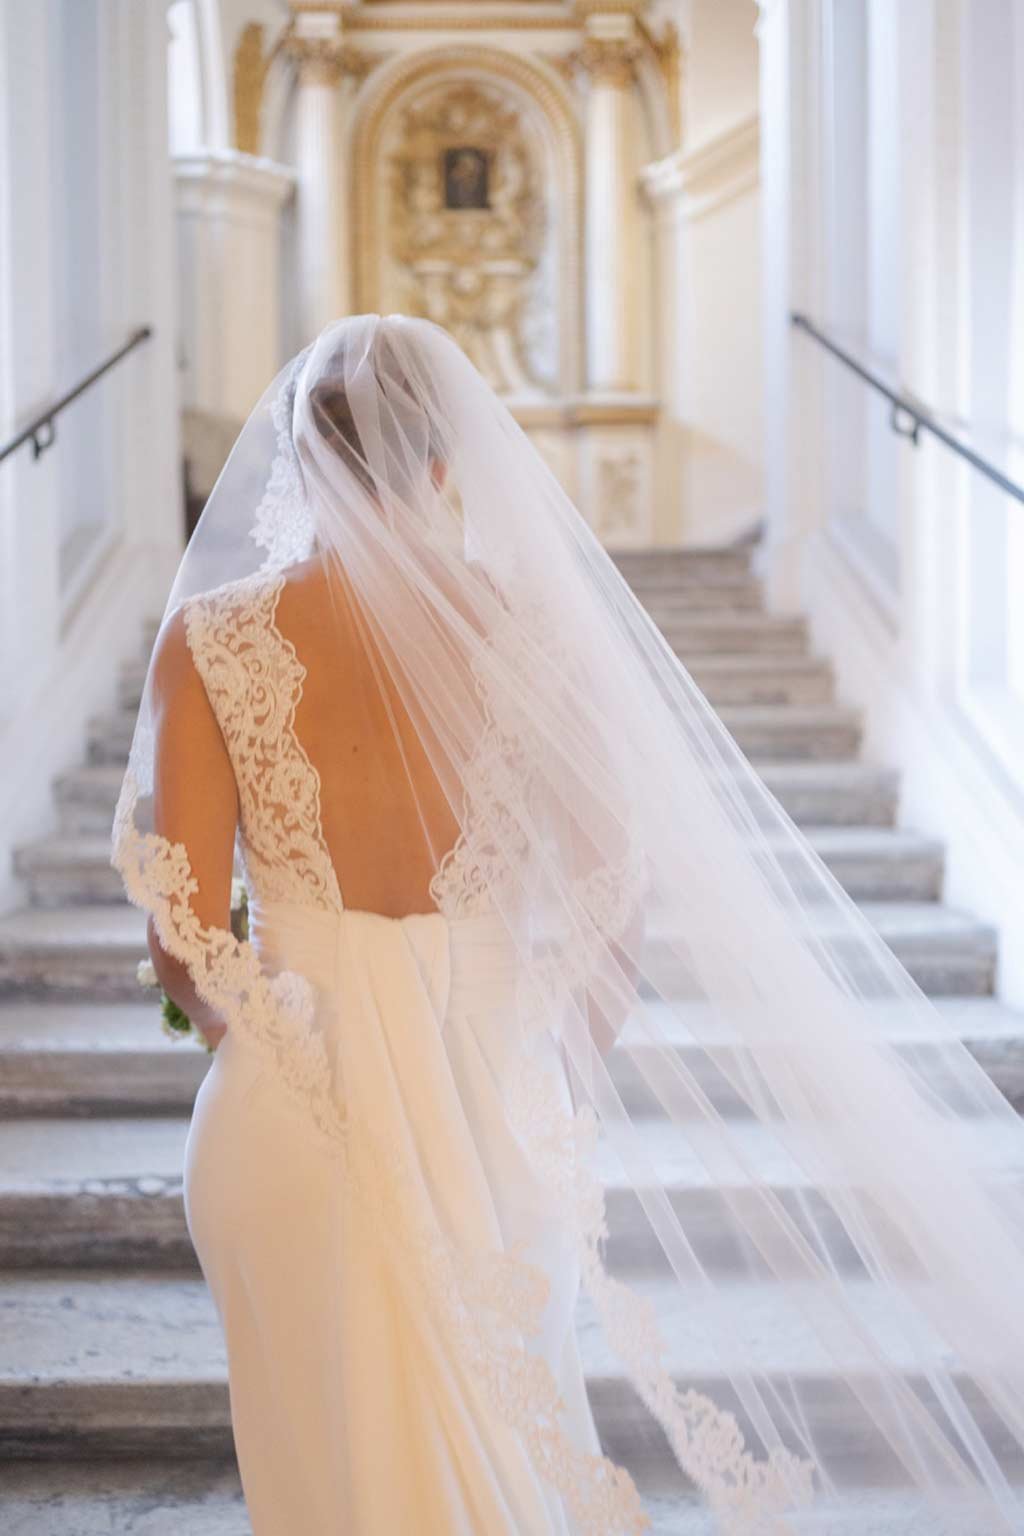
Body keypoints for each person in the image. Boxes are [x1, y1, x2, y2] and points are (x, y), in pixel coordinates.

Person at [112, 313, 1024, 1535]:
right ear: (446, 463)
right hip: (501, 1108)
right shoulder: (538, 638)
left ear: (296, 457)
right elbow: (613, 899)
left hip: (286, 1120)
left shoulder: (209, 641)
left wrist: (292, 1042)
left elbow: (182, 936)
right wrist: (544, 1071)